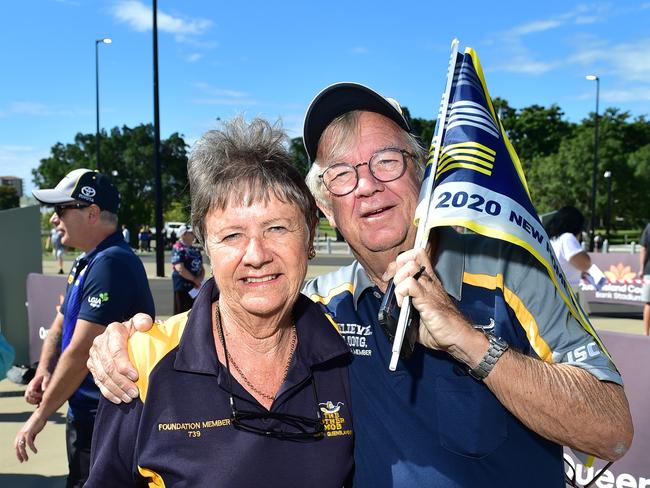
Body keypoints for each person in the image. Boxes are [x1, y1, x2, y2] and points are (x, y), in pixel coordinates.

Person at [88, 84, 633, 487]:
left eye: (387, 162)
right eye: (342, 174)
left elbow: (612, 432)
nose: (368, 186)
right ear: (326, 206)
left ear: (423, 175)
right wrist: (125, 341)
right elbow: (245, 306)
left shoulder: (511, 272)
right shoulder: (328, 306)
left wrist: (471, 343)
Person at [85, 117, 353, 487]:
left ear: (309, 236)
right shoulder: (141, 362)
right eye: (232, 235)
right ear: (205, 246)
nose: (256, 255)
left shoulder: (348, 353)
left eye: (277, 227)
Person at [15, 168, 155, 488]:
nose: (53, 219)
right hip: (87, 413)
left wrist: (38, 418)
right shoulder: (88, 260)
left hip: (104, 419)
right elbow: (61, 322)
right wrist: (44, 370)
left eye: (61, 209)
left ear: (92, 213)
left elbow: (80, 352)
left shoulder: (111, 263)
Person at [545, 206, 592, 305]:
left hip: (552, 292)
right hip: (568, 295)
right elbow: (585, 264)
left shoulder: (551, 239)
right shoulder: (567, 238)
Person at [171, 224, 205, 314]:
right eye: (190, 232)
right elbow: (180, 268)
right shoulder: (178, 248)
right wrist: (195, 280)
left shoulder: (195, 250)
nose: (193, 234)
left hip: (196, 286)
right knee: (182, 312)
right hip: (183, 286)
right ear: (184, 234)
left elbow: (202, 268)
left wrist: (199, 280)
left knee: (196, 312)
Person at [639, 222, 650, 335]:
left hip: (649, 270)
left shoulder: (649, 227)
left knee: (649, 303)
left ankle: (645, 334)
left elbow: (643, 248)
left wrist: (641, 268)